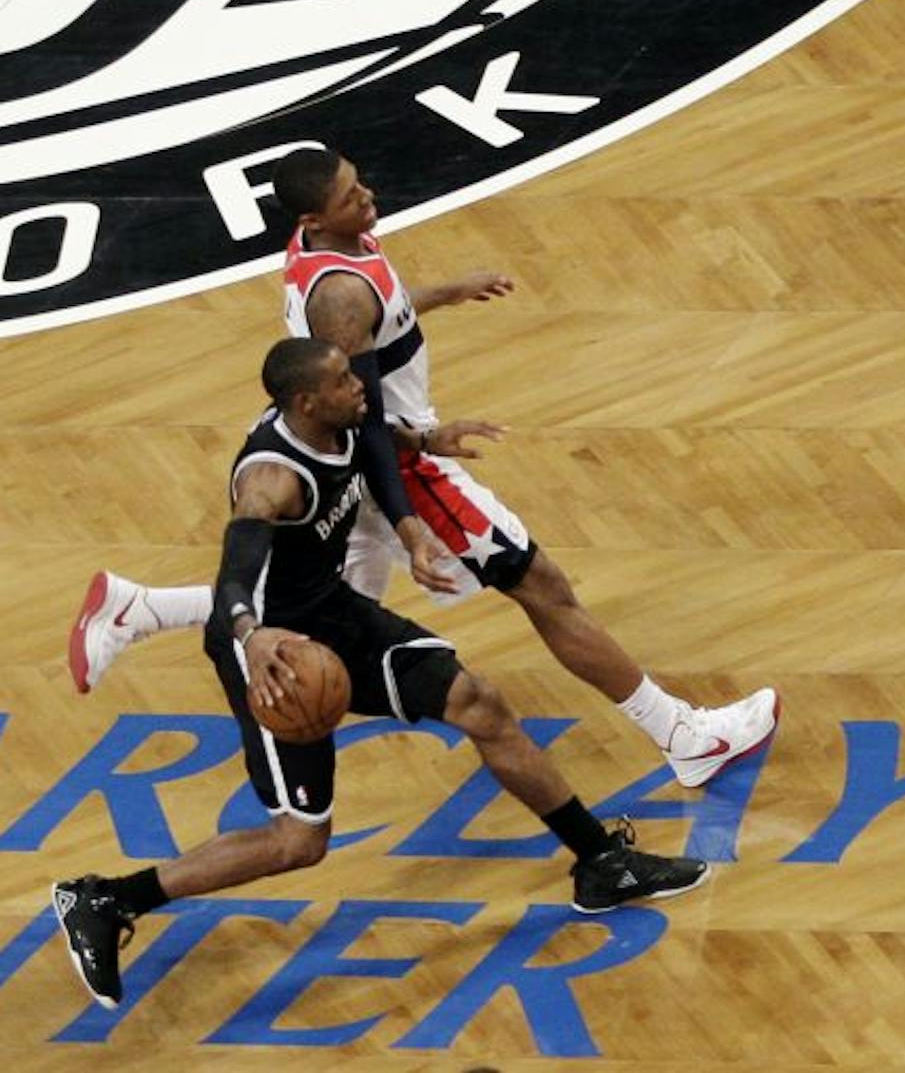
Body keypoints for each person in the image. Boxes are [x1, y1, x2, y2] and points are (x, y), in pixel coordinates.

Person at [69, 145, 778, 791]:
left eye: (360, 181)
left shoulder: (325, 244)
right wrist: (413, 498)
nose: (368, 196)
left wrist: (439, 293)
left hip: (373, 453)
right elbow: (364, 415)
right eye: (352, 196)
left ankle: (141, 608)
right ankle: (682, 734)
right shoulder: (341, 297)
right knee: (541, 585)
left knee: (317, 599)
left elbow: (375, 321)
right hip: (398, 465)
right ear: (319, 216)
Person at [52, 338, 711, 1009]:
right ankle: (107, 897)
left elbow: (373, 441)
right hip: (279, 658)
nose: (359, 385)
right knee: (299, 842)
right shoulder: (271, 481)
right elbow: (236, 564)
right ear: (307, 401)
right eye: (343, 380)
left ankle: (600, 862)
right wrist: (251, 635)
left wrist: (427, 443)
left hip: (338, 618)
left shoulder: (337, 418)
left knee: (479, 702)